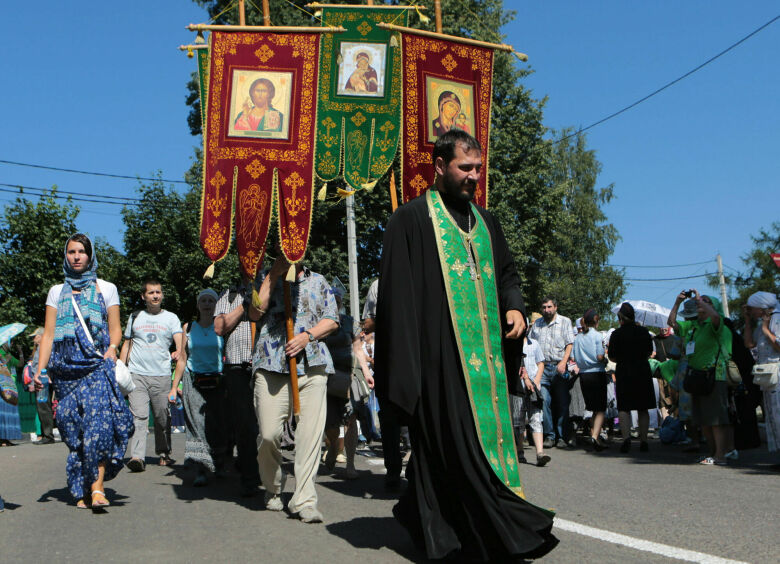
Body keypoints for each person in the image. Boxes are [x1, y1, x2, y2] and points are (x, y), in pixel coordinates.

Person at [375, 130, 557, 561]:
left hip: (487, 367)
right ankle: (490, 533)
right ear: (439, 167)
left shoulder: (486, 222)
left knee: (462, 452)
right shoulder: (412, 220)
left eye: (478, 168)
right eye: (465, 168)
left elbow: (509, 275)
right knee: (455, 451)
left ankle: (438, 526)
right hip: (438, 364)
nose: (474, 176)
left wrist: (513, 308)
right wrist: (406, 375)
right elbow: (396, 302)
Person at [34, 233, 133, 509]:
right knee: (74, 431)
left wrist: (113, 347)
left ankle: (98, 487)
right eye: (71, 252)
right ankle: (81, 487)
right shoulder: (56, 291)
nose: (76, 256)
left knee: (98, 427)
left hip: (96, 365)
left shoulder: (107, 288)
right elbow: (49, 335)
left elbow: (115, 328)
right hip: (65, 372)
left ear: (90, 256)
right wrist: (41, 371)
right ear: (66, 256)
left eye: (82, 252)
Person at [248, 253, 339, 524]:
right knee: (268, 434)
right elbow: (254, 312)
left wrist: (307, 336)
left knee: (309, 436)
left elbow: (332, 319)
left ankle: (305, 500)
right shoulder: (262, 279)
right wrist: (273, 276)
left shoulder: (319, 281)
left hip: (312, 365)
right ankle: (274, 486)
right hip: (271, 364)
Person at [120, 279, 183, 472]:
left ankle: (164, 452)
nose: (155, 296)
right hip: (137, 374)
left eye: (158, 292)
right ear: (143, 296)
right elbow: (127, 344)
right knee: (139, 416)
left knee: (162, 417)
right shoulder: (135, 317)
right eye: (151, 293)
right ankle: (137, 457)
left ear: (162, 295)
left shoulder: (171, 318)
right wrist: (121, 368)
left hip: (161, 374)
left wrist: (179, 350)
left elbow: (179, 342)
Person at [667, 292, 732, 465]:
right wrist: (677, 302)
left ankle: (721, 455)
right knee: (703, 420)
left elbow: (716, 316)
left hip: (714, 376)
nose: (700, 305)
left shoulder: (717, 325)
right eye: (699, 303)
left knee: (716, 419)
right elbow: (672, 323)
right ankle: (713, 454)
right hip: (696, 377)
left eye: (706, 302)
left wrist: (699, 301)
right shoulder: (694, 326)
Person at [170, 289, 227, 487]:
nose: (207, 303)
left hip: (218, 382)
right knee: (197, 425)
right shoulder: (189, 327)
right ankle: (201, 469)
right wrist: (173, 386)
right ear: (197, 304)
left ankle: (218, 463)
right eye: (203, 300)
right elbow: (183, 359)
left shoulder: (222, 326)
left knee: (217, 425)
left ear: (216, 304)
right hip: (193, 381)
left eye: (211, 300)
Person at [214, 275, 261, 497]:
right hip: (237, 366)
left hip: (265, 365)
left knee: (265, 422)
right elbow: (219, 327)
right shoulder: (229, 294)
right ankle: (250, 478)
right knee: (244, 424)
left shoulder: (270, 286)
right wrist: (244, 302)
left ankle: (263, 468)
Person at [528, 297, 575, 448]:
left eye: (549, 307)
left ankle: (561, 436)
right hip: (542, 368)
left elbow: (569, 344)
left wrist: (563, 362)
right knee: (545, 402)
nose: (546, 310)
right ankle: (550, 435)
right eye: (544, 307)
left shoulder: (565, 321)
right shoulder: (537, 324)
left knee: (562, 403)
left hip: (558, 367)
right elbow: (531, 344)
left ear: (555, 307)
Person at [608, 302, 655, 453]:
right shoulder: (644, 332)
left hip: (624, 372)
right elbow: (649, 352)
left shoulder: (616, 334)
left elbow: (612, 357)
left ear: (620, 317)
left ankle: (626, 438)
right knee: (643, 407)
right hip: (642, 371)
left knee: (624, 408)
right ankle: (644, 440)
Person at [742, 291, 780, 457]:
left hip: (777, 371)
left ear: (762, 307)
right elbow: (750, 343)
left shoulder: (776, 319)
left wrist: (765, 329)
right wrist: (748, 321)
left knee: (778, 413)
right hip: (767, 374)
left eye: (752, 309)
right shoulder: (761, 322)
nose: (751, 311)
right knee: (772, 415)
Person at [509, 334, 551, 466]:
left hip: (533, 388)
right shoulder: (512, 346)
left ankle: (540, 453)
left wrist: (537, 381)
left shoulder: (535, 344)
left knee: (536, 418)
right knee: (518, 420)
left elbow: (541, 363)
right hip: (518, 388)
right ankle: (519, 451)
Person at [572, 309, 609, 451]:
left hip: (583, 375)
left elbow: (575, 358)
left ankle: (596, 437)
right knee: (600, 408)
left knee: (592, 407)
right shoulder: (597, 336)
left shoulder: (578, 338)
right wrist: (605, 360)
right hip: (597, 373)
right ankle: (594, 436)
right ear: (596, 321)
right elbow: (600, 356)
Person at [29, 327, 56, 445]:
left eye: (35, 336)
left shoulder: (44, 348)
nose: (33, 339)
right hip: (41, 380)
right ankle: (47, 434)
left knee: (43, 408)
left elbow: (41, 366)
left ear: (41, 336)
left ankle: (48, 435)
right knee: (43, 408)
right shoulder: (41, 348)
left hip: (42, 381)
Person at [0, 342, 23, 446]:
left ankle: (6, 438)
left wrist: (21, 353)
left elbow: (20, 364)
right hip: (1, 386)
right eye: (10, 341)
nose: (12, 343)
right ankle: (2, 439)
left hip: (9, 387)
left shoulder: (8, 355)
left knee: (8, 410)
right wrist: (4, 361)